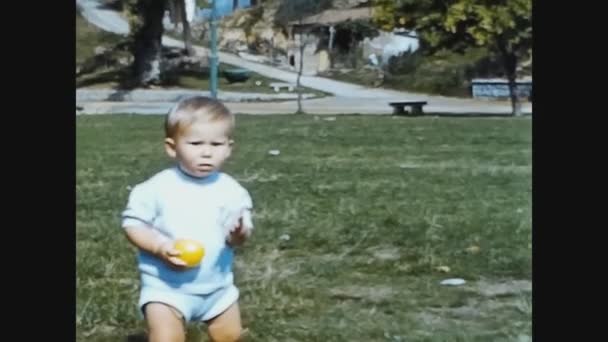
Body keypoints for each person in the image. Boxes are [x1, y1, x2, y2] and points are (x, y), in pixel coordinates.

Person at [121, 96, 254, 342]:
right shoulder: (157, 188)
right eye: (195, 143)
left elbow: (239, 236)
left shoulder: (232, 191)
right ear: (172, 147)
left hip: (217, 288)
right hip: (166, 288)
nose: (206, 152)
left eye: (216, 144)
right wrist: (160, 247)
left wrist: (238, 234)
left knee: (231, 336)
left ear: (229, 148)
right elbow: (133, 224)